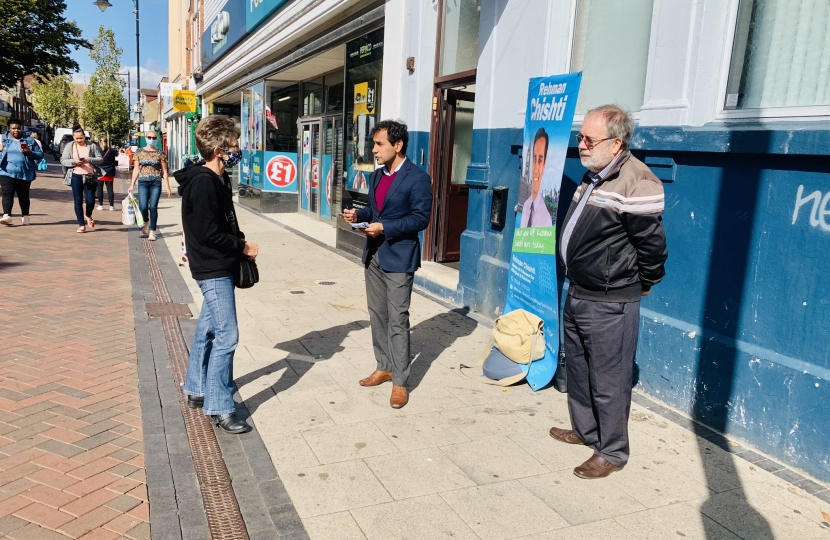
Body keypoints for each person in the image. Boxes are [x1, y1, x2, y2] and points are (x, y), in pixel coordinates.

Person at [550, 105, 668, 479]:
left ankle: (612, 451)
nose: (581, 145)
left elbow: (652, 246)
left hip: (609, 300)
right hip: (579, 291)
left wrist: (642, 282)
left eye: (589, 139)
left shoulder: (638, 181)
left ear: (616, 143)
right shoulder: (594, 175)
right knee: (581, 370)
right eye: (579, 138)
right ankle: (586, 430)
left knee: (609, 380)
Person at [177, 115, 259, 434]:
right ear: (218, 149)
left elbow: (222, 222)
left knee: (207, 330)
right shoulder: (203, 182)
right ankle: (220, 406)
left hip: (218, 263)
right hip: (211, 266)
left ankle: (196, 388)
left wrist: (237, 242)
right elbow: (208, 233)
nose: (238, 149)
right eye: (234, 144)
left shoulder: (218, 179)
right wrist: (242, 246)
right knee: (228, 335)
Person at [343, 120, 433, 409]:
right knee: (377, 314)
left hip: (399, 256)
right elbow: (374, 208)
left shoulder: (418, 178)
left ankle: (400, 382)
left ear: (398, 145)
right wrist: (359, 217)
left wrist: (385, 227)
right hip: (374, 255)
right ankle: (384, 366)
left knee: (398, 317)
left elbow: (421, 219)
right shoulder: (378, 176)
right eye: (374, 144)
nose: (374, 149)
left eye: (379, 144)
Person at [0, 118, 44, 226]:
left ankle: (25, 216)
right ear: (9, 129)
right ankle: (7, 215)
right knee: (7, 193)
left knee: (23, 195)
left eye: (18, 128)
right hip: (6, 171)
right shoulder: (3, 139)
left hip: (24, 172)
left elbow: (40, 155)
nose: (16, 130)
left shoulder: (29, 140)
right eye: (13, 128)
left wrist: (29, 152)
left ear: (21, 128)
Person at [128, 130, 170, 241]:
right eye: (149, 137)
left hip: (156, 183)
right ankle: (146, 221)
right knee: (143, 207)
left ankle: (152, 231)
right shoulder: (139, 152)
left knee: (153, 207)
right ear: (146, 138)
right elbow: (136, 169)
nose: (151, 139)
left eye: (154, 138)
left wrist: (168, 187)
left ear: (156, 139)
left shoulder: (160, 153)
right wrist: (132, 184)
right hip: (142, 183)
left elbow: (164, 171)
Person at [61, 126, 103, 233]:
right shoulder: (69, 146)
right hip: (76, 175)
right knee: (78, 200)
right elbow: (63, 160)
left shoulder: (92, 146)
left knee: (90, 200)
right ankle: (81, 224)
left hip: (89, 176)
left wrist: (89, 159)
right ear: (73, 138)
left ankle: (88, 215)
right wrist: (74, 162)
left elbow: (100, 159)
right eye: (77, 138)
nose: (79, 140)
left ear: (85, 136)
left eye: (81, 138)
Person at [520, 128, 553, 227]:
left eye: (540, 161)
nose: (535, 170)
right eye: (534, 160)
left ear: (544, 165)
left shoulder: (546, 219)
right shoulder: (526, 205)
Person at [96, 137, 117, 211]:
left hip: (100, 172)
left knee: (99, 189)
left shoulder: (97, 150)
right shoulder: (112, 150)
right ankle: (111, 206)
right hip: (110, 172)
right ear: (107, 142)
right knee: (110, 189)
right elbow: (116, 157)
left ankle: (100, 205)